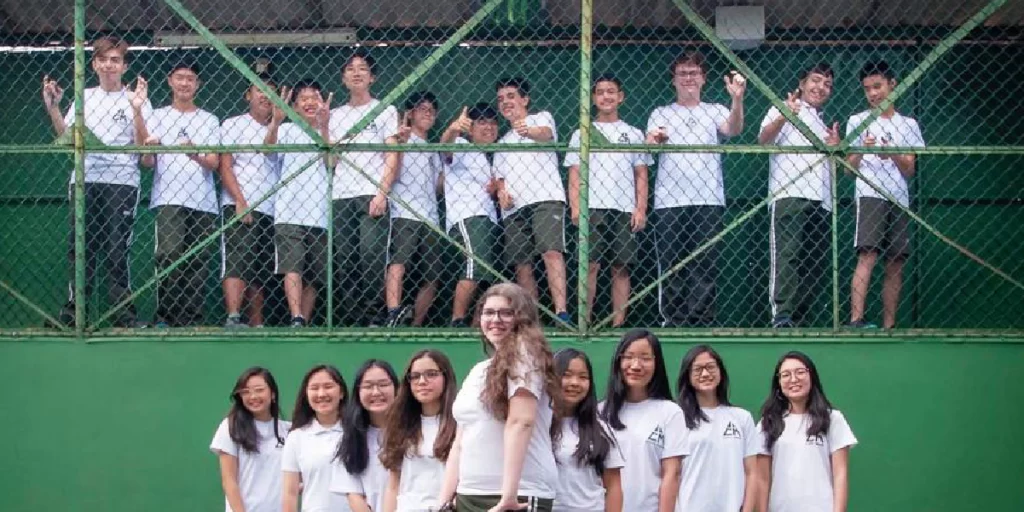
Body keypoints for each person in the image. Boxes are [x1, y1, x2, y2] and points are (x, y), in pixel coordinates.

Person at [41, 35, 151, 327]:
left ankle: (124, 316)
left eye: (115, 60)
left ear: (124, 66)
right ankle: (73, 314)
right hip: (84, 180)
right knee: (81, 248)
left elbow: (144, 151)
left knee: (117, 249)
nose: (109, 65)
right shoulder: (84, 97)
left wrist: (138, 110)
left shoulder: (136, 99)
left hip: (122, 183)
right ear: (94, 64)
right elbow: (67, 136)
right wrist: (53, 107)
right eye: (103, 59)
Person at [438, 282, 562, 511]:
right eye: (489, 312)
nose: (496, 320)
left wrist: (509, 497)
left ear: (523, 318)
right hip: (470, 493)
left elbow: (521, 422)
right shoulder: (479, 370)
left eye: (507, 313)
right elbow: (460, 443)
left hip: (518, 494)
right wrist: (443, 503)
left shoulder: (526, 355)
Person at [646, 51, 746, 327]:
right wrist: (654, 138)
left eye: (693, 73)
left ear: (703, 79)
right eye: (682, 73)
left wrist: (737, 99)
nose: (688, 78)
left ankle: (701, 319)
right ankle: (674, 319)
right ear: (673, 80)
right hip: (669, 200)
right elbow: (650, 142)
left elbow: (733, 129)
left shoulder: (713, 109)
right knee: (671, 263)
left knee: (704, 262)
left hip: (708, 198)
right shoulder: (661, 112)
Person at [758, 62, 841, 328]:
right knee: (787, 255)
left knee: (813, 261)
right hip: (790, 193)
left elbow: (833, 168)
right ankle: (782, 315)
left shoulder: (821, 122)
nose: (821, 87)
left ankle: (802, 318)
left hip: (821, 199)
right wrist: (785, 115)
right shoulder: (783, 107)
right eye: (816, 80)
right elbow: (763, 139)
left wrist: (834, 148)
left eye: (827, 84)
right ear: (802, 83)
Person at [565, 74, 651, 327]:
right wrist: (576, 206)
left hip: (624, 208)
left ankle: (618, 323)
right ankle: (584, 320)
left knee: (621, 267)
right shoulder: (582, 132)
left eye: (611, 91)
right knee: (589, 265)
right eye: (600, 92)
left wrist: (641, 208)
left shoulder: (633, 133)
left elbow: (641, 173)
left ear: (620, 97)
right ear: (593, 98)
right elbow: (574, 173)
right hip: (592, 207)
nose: (606, 96)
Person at [845, 60, 925, 329]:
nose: (872, 93)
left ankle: (889, 325)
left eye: (877, 86)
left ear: (892, 84)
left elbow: (910, 168)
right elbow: (848, 168)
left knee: (895, 261)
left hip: (898, 197)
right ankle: (856, 319)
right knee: (867, 254)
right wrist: (864, 150)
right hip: (869, 194)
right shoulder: (857, 121)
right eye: (867, 88)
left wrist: (891, 153)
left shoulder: (909, 124)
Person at [142, 61, 221, 327]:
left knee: (198, 259)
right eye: (180, 78)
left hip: (203, 201)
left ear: (197, 85)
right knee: (169, 254)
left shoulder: (209, 119)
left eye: (190, 79)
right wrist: (149, 148)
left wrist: (195, 154)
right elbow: (148, 162)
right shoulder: (157, 115)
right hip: (168, 197)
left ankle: (191, 320)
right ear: (170, 81)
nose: (185, 83)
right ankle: (165, 316)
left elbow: (213, 162)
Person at [329, 48, 402, 327]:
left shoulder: (385, 110)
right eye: (350, 69)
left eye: (362, 68)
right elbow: (330, 160)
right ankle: (352, 317)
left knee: (371, 254)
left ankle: (373, 315)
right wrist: (324, 127)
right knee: (345, 257)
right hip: (342, 194)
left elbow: (391, 155)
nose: (356, 73)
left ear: (372, 77)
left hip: (371, 192)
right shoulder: (334, 114)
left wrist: (382, 193)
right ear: (343, 78)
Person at [492, 78, 570, 324]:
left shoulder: (541, 118)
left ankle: (561, 313)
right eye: (501, 99)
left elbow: (546, 135)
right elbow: (499, 178)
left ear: (524, 99)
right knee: (522, 264)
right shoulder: (503, 142)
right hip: (515, 209)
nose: (506, 102)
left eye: (511, 96)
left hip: (545, 199)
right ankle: (530, 319)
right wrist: (501, 192)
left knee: (551, 252)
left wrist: (527, 130)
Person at [264, 80, 331, 327]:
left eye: (315, 96)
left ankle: (305, 316)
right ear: (294, 105)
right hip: (289, 210)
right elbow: (268, 151)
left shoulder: (328, 130)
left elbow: (331, 162)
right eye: (303, 98)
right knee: (293, 266)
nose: (310, 102)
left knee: (314, 273)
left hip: (319, 212)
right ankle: (296, 316)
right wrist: (276, 121)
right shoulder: (288, 130)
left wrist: (324, 128)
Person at [755, 351, 857, 512]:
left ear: (812, 376)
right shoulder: (767, 422)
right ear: (779, 382)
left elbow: (840, 473)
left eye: (800, 372)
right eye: (786, 375)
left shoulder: (832, 418)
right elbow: (762, 478)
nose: (794, 379)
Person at [599, 329, 685, 512]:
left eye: (645, 358)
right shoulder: (600, 413)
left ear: (657, 363)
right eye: (628, 357)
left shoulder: (670, 412)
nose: (636, 365)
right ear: (618, 362)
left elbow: (671, 474)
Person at [219, 73, 281, 328]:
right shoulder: (233, 125)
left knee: (261, 269)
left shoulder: (282, 128)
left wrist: (276, 123)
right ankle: (233, 316)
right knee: (237, 261)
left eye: (271, 91)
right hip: (239, 203)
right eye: (260, 90)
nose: (265, 96)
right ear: (248, 95)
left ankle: (257, 324)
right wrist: (240, 200)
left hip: (271, 208)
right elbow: (225, 166)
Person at [438, 102, 502, 327]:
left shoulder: (489, 157)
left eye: (493, 122)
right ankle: (457, 319)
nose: (489, 127)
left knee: (486, 274)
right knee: (473, 267)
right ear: (471, 128)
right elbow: (445, 149)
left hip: (489, 220)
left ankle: (476, 322)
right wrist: (454, 129)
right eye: (482, 122)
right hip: (468, 216)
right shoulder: (463, 145)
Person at [385, 92, 444, 327]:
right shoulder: (401, 140)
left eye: (431, 110)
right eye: (422, 109)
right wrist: (400, 144)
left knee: (433, 275)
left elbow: (438, 187)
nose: (428, 113)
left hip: (430, 217)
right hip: (404, 211)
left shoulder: (431, 148)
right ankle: (393, 313)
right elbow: (394, 173)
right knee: (398, 263)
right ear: (409, 114)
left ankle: (415, 324)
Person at [674, 345, 758, 512]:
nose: (705, 374)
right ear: (688, 376)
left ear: (720, 371)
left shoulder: (742, 418)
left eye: (711, 367)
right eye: (698, 369)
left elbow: (752, 473)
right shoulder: (676, 418)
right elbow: (671, 474)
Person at [380, 350, 458, 512]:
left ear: (446, 378)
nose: (422, 381)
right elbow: (393, 485)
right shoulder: (400, 422)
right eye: (415, 376)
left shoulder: (460, 423)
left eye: (431, 374)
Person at [552, 348, 624, 512]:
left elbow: (613, 485)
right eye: (566, 375)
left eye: (583, 377)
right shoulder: (536, 425)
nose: (575, 382)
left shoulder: (600, 427)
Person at [210, 366, 290, 512]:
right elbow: (229, 481)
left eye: (259, 390)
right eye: (246, 392)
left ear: (272, 394)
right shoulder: (230, 426)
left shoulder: (288, 430)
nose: (253, 396)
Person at [331, 360, 400, 512]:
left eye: (383, 384)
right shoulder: (351, 438)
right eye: (368, 386)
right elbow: (353, 494)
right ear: (358, 392)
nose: (376, 392)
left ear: (396, 388)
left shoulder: (411, 433)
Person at [282, 364, 350, 512]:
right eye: (314, 388)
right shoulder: (296, 437)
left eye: (328, 386)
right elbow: (290, 493)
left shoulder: (358, 432)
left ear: (341, 392)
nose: (321, 394)